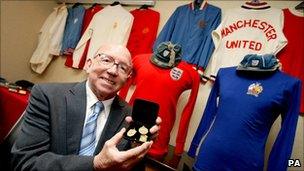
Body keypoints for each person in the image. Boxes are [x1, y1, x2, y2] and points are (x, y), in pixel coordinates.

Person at [11, 44, 161, 170]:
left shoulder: (129, 116)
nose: (112, 71)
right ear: (88, 64)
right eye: (106, 60)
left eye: (122, 68)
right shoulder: (48, 96)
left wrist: (137, 149)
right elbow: (25, 162)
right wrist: (95, 163)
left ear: (127, 78)